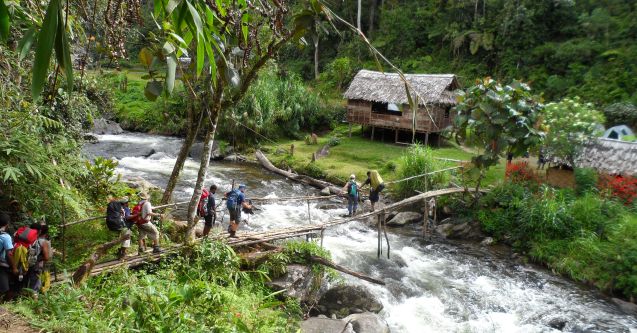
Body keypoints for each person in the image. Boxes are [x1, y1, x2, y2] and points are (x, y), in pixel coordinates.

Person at [21, 223, 51, 297]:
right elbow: (47, 258)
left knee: (24, 284)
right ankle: (34, 304)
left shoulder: (24, 239)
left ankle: (22, 301)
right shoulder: (43, 242)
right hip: (36, 266)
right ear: (40, 231)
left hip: (23, 265)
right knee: (34, 287)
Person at [0, 213, 16, 302]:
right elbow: (9, 254)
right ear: (7, 224)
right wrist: (14, 268)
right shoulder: (5, 237)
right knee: (4, 289)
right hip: (1, 266)